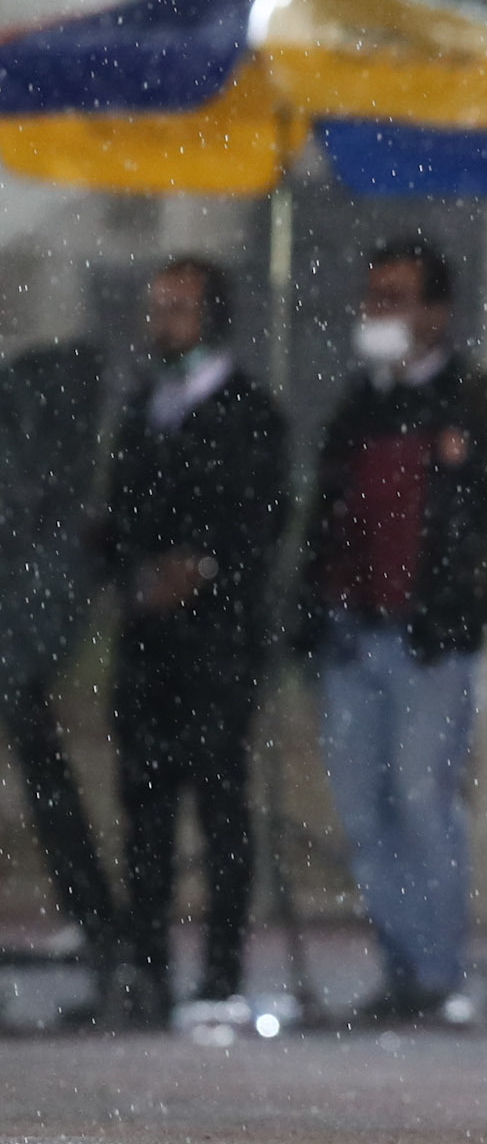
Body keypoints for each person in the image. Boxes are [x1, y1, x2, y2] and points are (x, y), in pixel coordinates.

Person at [291, 236, 487, 1023]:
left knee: (420, 797)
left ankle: (437, 974)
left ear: (437, 312)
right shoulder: (358, 405)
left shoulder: (478, 403)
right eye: (373, 296)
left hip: (428, 642)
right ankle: (403, 968)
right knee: (364, 810)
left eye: (396, 298)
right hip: (352, 637)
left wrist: (465, 601)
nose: (378, 312)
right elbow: (326, 513)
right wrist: (308, 601)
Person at [104, 258, 288, 1026]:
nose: (163, 323)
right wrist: (135, 573)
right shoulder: (144, 407)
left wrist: (203, 567)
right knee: (144, 812)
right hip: (148, 644)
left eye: (178, 308)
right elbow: (117, 513)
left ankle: (220, 975)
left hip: (218, 645)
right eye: (157, 307)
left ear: (214, 315)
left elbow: (263, 517)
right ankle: (147, 970)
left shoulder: (251, 412)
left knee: (220, 810)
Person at [0, 341, 118, 985]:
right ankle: (98, 928)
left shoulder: (37, 410)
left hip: (20, 630)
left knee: (47, 775)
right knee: (47, 774)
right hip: (23, 629)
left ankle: (99, 929)